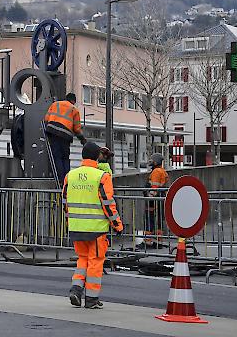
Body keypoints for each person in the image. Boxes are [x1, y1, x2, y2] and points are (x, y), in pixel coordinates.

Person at [64, 141, 124, 309]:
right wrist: (117, 225)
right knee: (95, 262)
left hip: (76, 227)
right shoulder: (101, 176)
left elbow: (65, 202)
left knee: (82, 260)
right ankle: (91, 299)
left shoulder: (70, 176)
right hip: (96, 229)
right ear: (97, 156)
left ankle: (76, 290)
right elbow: (108, 204)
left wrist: (70, 221)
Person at [44, 93, 87, 184]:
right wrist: (83, 140)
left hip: (52, 131)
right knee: (64, 157)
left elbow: (46, 118)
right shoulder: (74, 109)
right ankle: (64, 180)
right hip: (65, 135)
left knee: (56, 156)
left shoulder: (55, 104)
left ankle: (59, 177)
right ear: (73, 101)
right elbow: (77, 129)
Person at [138, 153, 169, 249]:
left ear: (156, 161)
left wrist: (149, 197)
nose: (150, 162)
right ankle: (158, 241)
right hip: (160, 199)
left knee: (149, 219)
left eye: (152, 160)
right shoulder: (162, 171)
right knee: (158, 220)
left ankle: (148, 242)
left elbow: (154, 188)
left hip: (153, 201)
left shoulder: (156, 172)